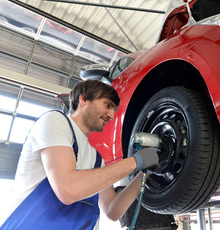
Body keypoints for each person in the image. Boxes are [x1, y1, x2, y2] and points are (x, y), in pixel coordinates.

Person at [0, 79, 160, 229]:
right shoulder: (54, 121)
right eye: (107, 105)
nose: (111, 115)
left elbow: (112, 211)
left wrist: (144, 173)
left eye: (114, 110)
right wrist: (136, 161)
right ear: (83, 100)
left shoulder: (97, 159)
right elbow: (67, 189)